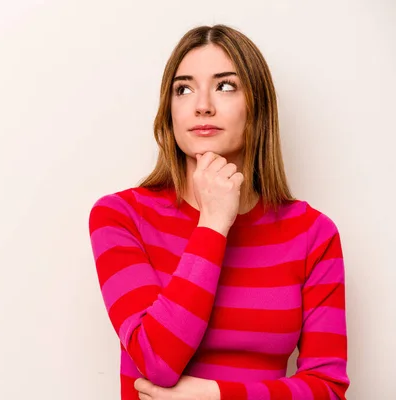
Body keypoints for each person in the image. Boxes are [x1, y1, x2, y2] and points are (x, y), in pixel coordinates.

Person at [87, 24, 349, 400]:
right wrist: (213, 223)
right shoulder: (121, 216)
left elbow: (328, 389)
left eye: (225, 85)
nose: (202, 104)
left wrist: (216, 396)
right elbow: (155, 359)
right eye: (184, 88)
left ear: (257, 106)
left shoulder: (312, 234)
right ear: (169, 111)